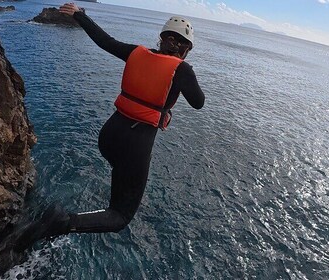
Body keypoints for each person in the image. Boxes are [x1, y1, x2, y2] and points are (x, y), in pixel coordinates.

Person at [12, 2, 204, 252]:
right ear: (187, 48)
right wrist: (183, 77)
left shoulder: (137, 52)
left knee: (123, 174)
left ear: (161, 38)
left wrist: (80, 16)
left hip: (109, 137)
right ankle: (62, 222)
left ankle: (46, 226)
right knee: (120, 217)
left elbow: (104, 40)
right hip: (135, 145)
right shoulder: (183, 70)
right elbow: (198, 102)